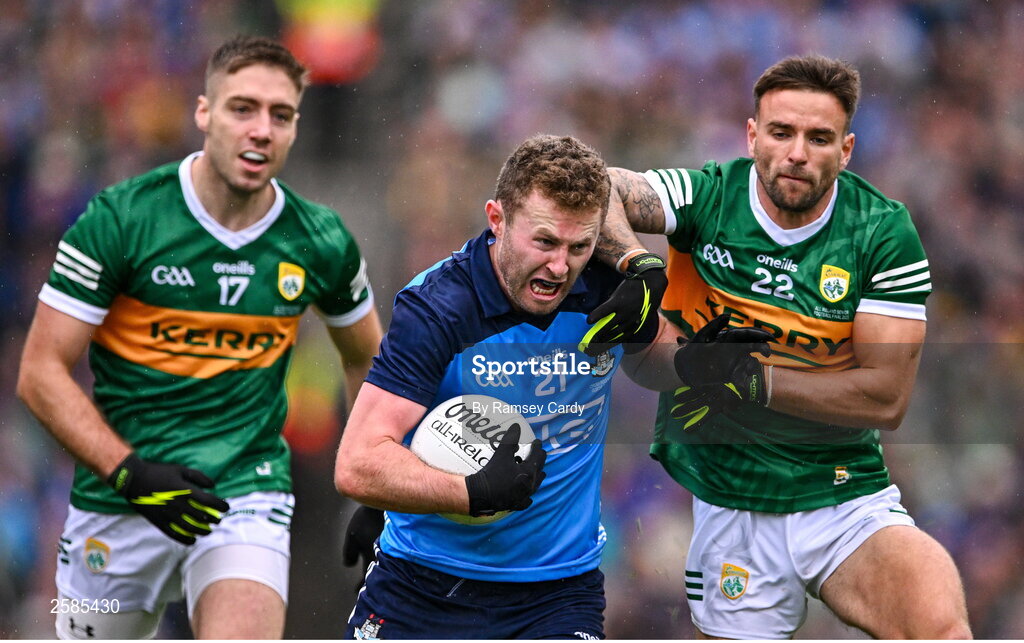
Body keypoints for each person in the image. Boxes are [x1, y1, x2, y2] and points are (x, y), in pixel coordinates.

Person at [584, 54, 972, 639]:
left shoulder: (881, 232)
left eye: (819, 138)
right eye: (781, 132)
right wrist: (636, 265)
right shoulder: (707, 198)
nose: (796, 152)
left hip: (843, 496)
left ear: (845, 150)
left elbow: (885, 398)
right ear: (752, 135)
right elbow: (601, 185)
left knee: (939, 625)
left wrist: (751, 379)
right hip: (731, 500)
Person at [16, 35, 383, 639]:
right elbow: (39, 373)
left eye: (281, 115)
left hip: (246, 494)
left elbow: (367, 358)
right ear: (204, 113)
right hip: (120, 498)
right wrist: (131, 473)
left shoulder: (320, 240)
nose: (261, 130)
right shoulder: (121, 220)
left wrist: (376, 488)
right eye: (242, 109)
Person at [333, 134, 747, 639]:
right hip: (422, 585)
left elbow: (649, 359)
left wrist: (691, 363)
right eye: (545, 241)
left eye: (579, 246)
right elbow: (357, 462)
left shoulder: (603, 283)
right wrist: (470, 492)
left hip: (558, 594)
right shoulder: (438, 308)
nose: (560, 266)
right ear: (497, 219)